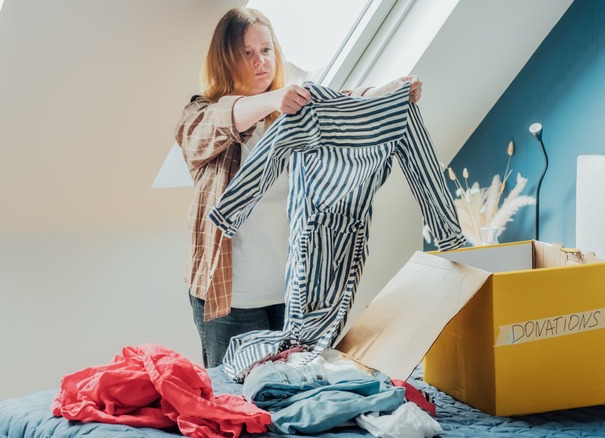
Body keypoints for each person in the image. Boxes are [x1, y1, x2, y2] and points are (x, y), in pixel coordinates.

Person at [174, 6, 424, 368]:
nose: (261, 62)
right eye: (247, 53)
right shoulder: (199, 114)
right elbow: (214, 123)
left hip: (295, 296)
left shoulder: (294, 117)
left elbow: (342, 102)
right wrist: (274, 99)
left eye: (266, 50)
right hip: (231, 300)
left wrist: (388, 92)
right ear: (226, 60)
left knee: (294, 391)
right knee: (234, 401)